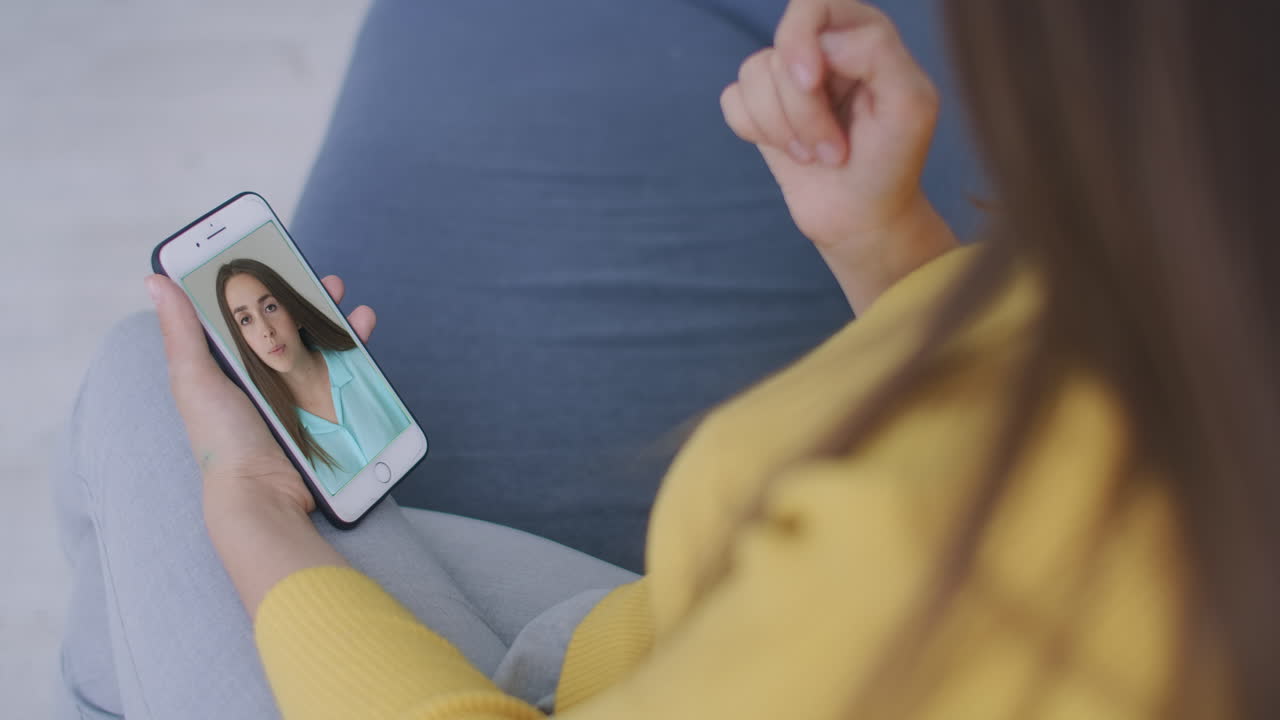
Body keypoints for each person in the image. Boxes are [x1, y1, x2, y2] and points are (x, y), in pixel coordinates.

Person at [52, 0, 1278, 718]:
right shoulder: (1198, 341)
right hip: (642, 640)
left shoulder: (938, 565)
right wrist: (891, 249)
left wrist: (255, 514)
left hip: (624, 665)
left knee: (148, 404)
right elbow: (1015, 396)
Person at [215, 258, 410, 495]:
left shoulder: (357, 360)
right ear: (242, 340)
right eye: (246, 320)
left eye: (270, 307)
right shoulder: (265, 426)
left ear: (294, 313)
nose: (266, 331)